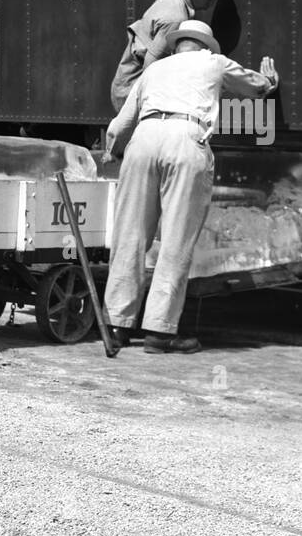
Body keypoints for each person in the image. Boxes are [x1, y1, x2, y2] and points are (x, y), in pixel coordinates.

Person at [104, 20, 278, 353]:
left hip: (144, 138)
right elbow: (254, 86)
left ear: (177, 44)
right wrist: (268, 81)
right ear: (204, 45)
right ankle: (159, 331)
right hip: (186, 138)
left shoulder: (153, 71)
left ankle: (116, 325)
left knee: (130, 235)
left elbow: (121, 123)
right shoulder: (213, 62)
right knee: (175, 240)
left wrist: (113, 150)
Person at [109, 0, 231, 113]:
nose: (211, 4)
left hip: (131, 91)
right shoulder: (175, 17)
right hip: (133, 95)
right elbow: (150, 69)